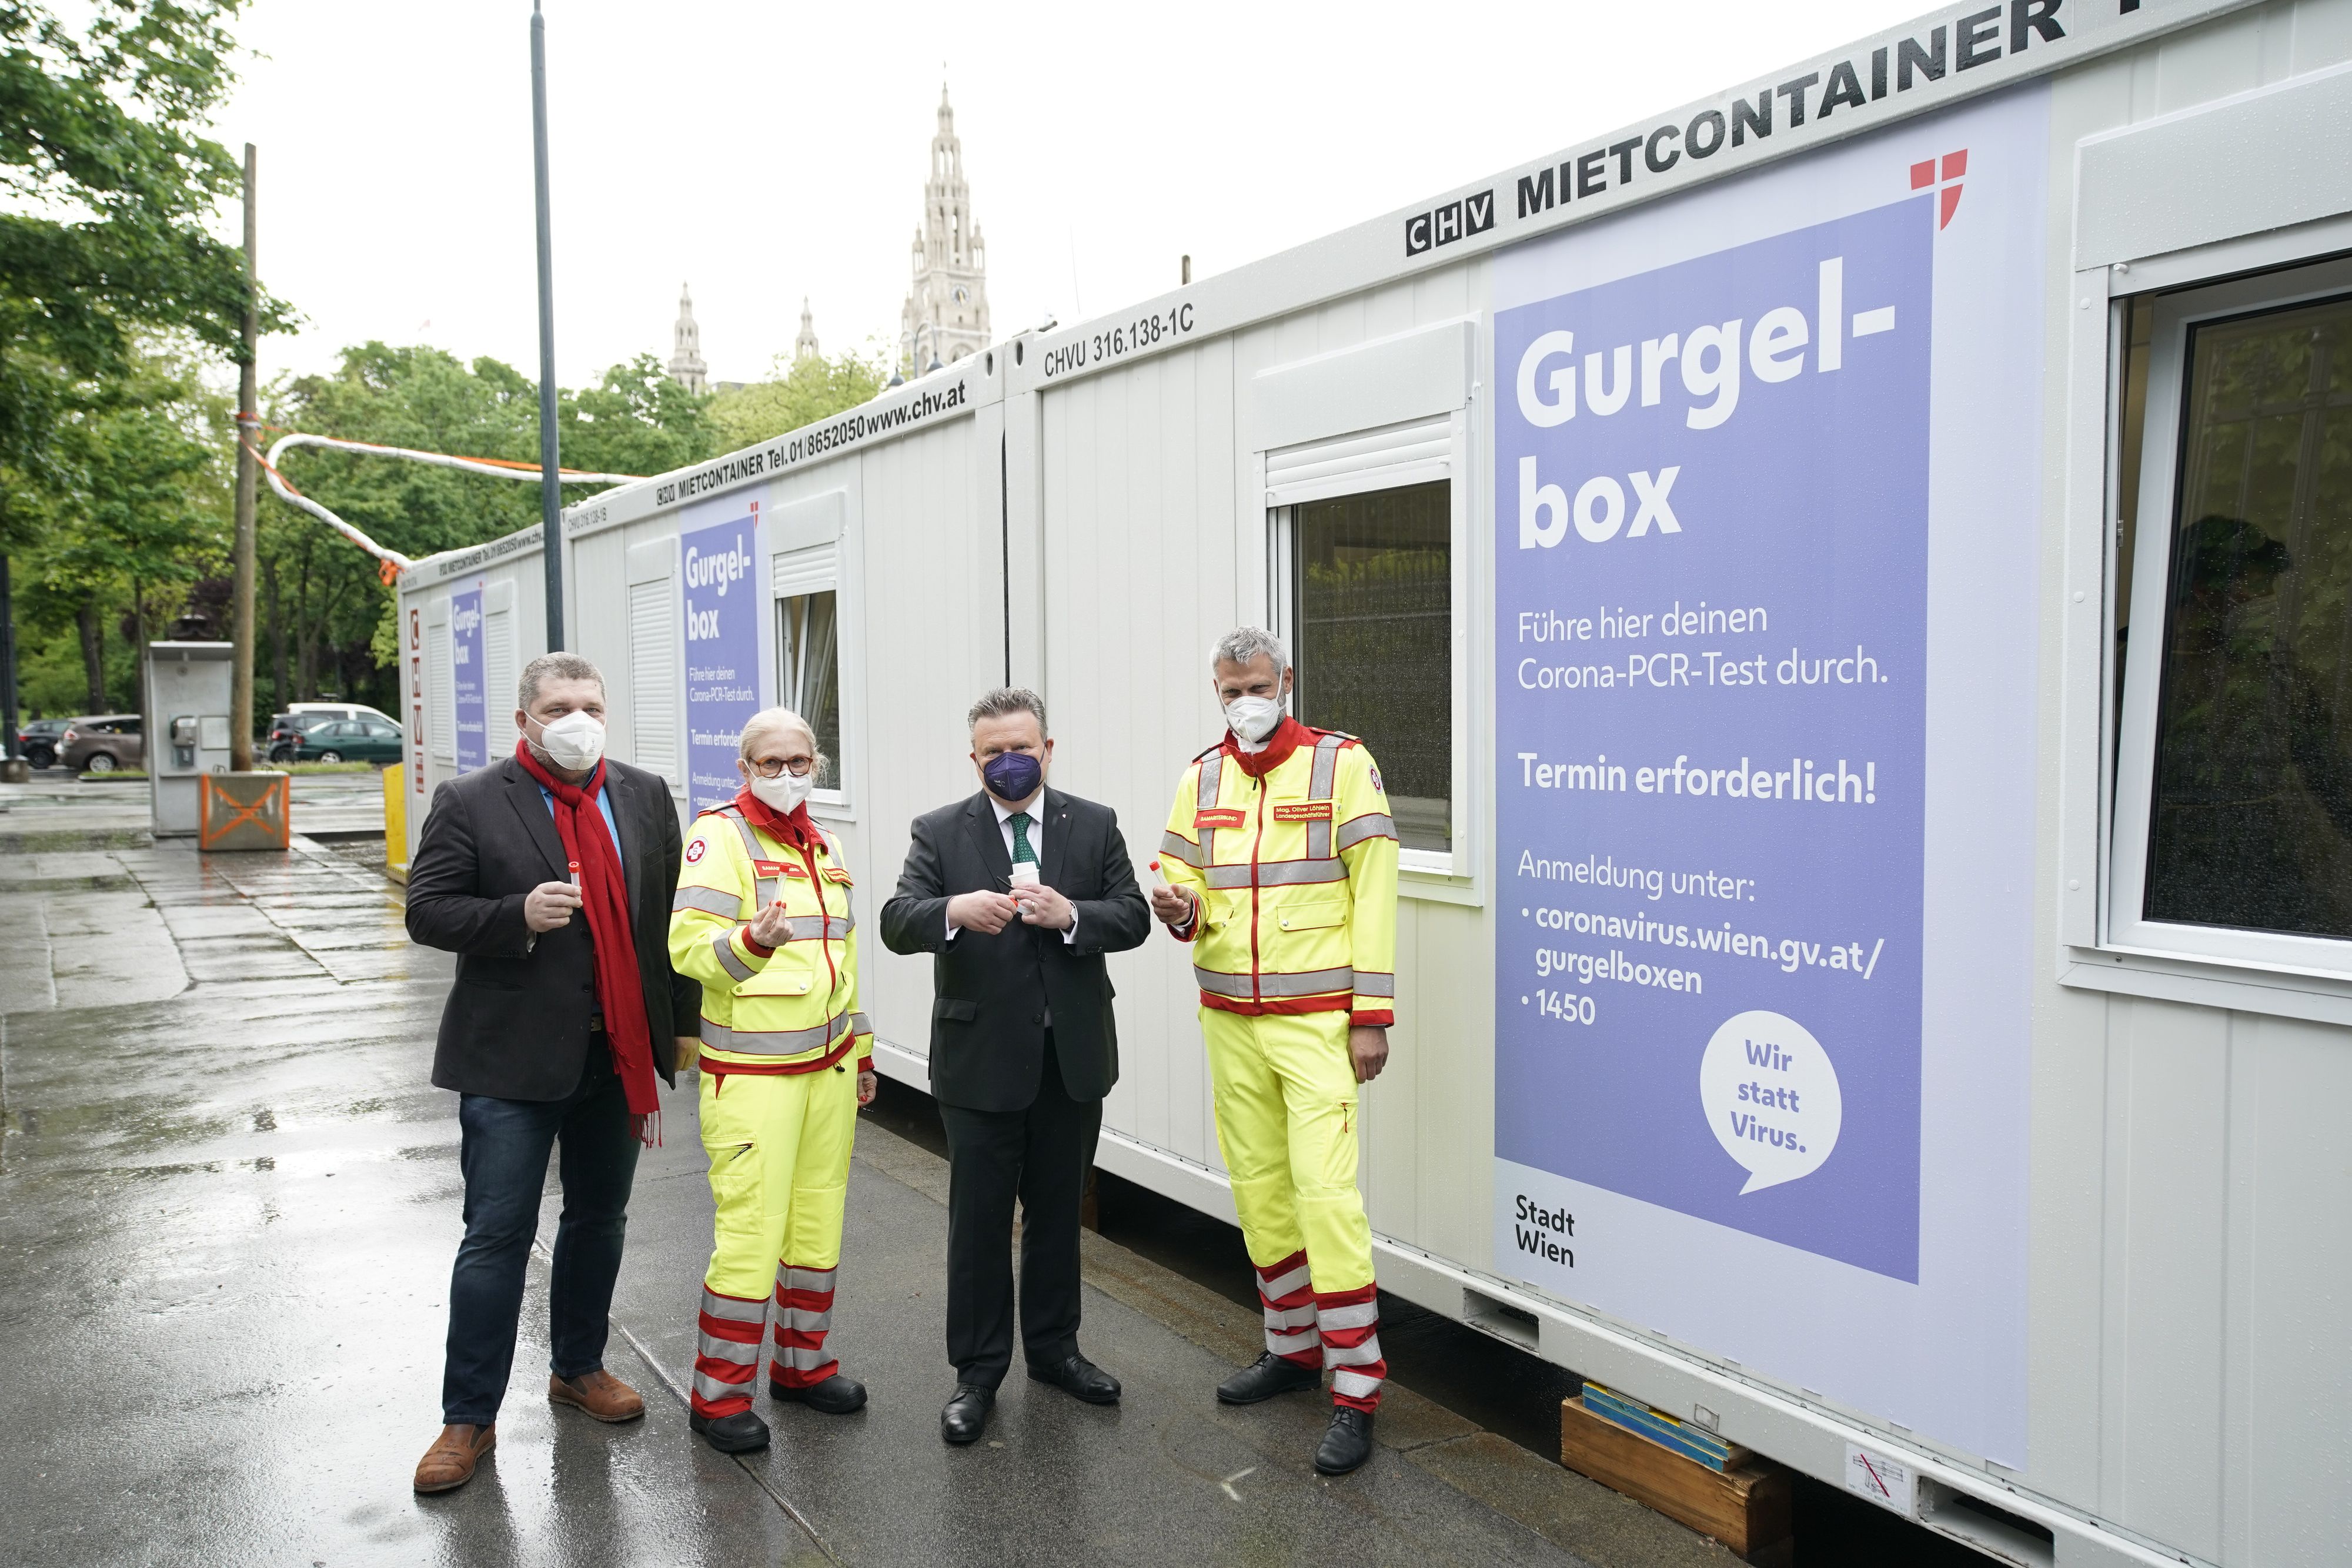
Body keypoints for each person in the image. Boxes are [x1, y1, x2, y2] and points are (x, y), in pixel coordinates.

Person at [405, 652, 700, 1494]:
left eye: (592, 704)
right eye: (560, 705)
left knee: (599, 1218)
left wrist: (679, 1028)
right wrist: (515, 915)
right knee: (496, 1235)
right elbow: (426, 908)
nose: (579, 718)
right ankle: (469, 1417)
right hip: (510, 1059)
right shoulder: (470, 799)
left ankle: (578, 1366)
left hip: (617, 1052)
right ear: (525, 720)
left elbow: (670, 918)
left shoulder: (642, 794)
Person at [1147, 628, 1398, 1476]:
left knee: (1327, 1196)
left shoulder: (1341, 764)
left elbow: (1376, 891)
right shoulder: (1201, 775)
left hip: (1319, 1021)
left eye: (1256, 684)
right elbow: (1182, 878)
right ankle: (1292, 1348)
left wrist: (1372, 1014)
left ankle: (1357, 1385)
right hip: (1229, 1015)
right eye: (1227, 688)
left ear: (1287, 680)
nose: (1242, 700)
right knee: (1259, 1188)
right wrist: (1179, 909)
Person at [878, 688, 1151, 1445]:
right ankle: (977, 1373)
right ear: (974, 759)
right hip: (979, 1064)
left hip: (1072, 1060)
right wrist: (952, 913)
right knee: (979, 1224)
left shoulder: (1092, 824)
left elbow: (1131, 916)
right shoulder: (939, 831)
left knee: (1058, 1217)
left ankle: (1057, 1353)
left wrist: (1073, 917)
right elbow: (898, 921)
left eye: (1021, 747)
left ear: (1048, 748)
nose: (1009, 761)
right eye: (993, 751)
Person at [667, 707, 878, 1453]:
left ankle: (803, 1368)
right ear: (744, 769)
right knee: (752, 1235)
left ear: (815, 764)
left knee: (816, 1225)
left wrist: (862, 1048)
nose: (787, 775)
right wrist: (748, 943)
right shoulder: (719, 837)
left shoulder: (825, 844)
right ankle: (718, 1399)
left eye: (799, 762)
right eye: (771, 763)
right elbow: (688, 949)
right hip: (753, 1078)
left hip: (827, 1071)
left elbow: (840, 960)